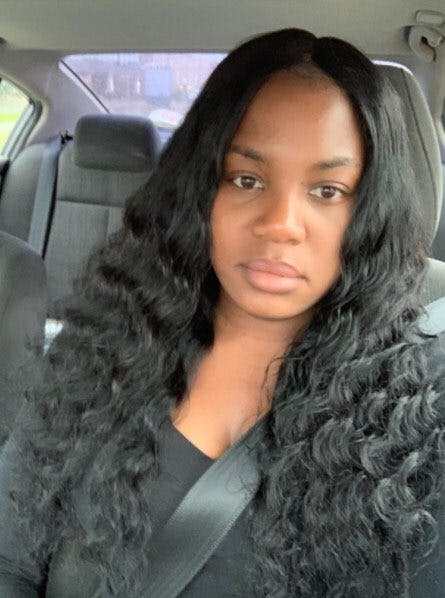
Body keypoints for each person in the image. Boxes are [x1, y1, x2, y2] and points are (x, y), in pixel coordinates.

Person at [0, 27, 444, 597]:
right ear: (200, 190)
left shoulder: (412, 421)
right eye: (246, 179)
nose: (281, 224)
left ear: (371, 212)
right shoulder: (101, 344)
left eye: (328, 190)